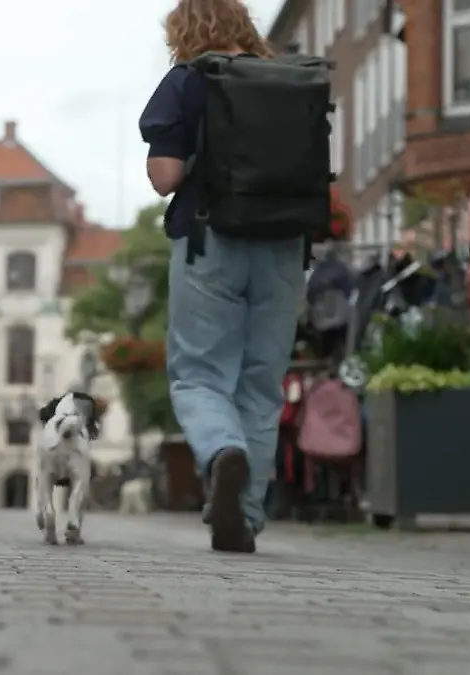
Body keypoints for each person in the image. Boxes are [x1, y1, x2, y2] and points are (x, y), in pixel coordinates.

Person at [140, 0, 325, 552]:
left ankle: (223, 452)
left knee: (199, 374)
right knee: (262, 384)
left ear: (183, 31)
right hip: (285, 245)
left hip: (210, 239)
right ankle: (243, 517)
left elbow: (165, 177)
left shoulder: (189, 80)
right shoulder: (292, 82)